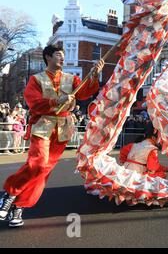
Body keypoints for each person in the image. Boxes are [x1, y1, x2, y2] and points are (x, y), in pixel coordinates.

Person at [0, 45, 104, 228]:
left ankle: (18, 205)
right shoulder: (36, 79)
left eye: (63, 56)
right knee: (37, 164)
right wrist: (56, 101)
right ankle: (10, 192)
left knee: (43, 171)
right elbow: (33, 103)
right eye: (58, 55)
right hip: (42, 125)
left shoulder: (71, 78)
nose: (62, 58)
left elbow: (85, 93)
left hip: (63, 129)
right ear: (48, 57)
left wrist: (95, 75)